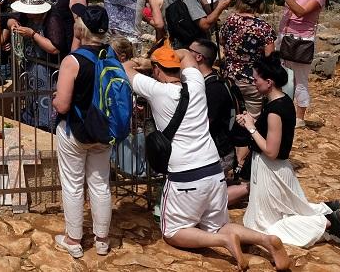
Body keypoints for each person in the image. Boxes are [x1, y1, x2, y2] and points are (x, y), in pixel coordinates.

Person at [123, 44, 289, 270]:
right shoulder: (196, 83)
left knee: (172, 232)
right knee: (218, 224)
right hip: (213, 169)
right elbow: (188, 54)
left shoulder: (156, 90)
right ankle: (265, 240)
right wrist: (169, 56)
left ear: (157, 70)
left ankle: (223, 241)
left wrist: (141, 62)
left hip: (184, 174)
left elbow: (125, 68)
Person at [234, 54, 340, 251]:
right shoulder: (283, 101)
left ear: (269, 82)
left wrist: (250, 128)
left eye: (256, 80)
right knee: (286, 210)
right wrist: (252, 122)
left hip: (270, 169)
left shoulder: (274, 110)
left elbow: (271, 150)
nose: (254, 84)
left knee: (263, 226)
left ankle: (328, 221)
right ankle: (327, 208)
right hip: (276, 168)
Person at [52, 5, 113, 259]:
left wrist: (55, 100)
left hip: (75, 131)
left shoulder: (73, 61)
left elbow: (63, 104)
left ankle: (74, 239)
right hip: (103, 132)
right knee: (100, 185)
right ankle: (102, 240)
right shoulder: (111, 56)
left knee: (73, 185)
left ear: (81, 28)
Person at [269, 0, 326, 129]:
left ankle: (300, 117)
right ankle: (281, 110)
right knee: (281, 75)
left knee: (300, 80)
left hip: (301, 40)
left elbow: (301, 12)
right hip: (284, 36)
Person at [218, 0, 275, 118]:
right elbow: (270, 56)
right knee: (252, 119)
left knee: (231, 115)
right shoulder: (263, 27)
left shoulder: (230, 21)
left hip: (230, 76)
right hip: (252, 80)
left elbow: (222, 41)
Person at [189, 39, 238, 184]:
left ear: (199, 57)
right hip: (207, 150)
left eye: (188, 51)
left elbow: (206, 122)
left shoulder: (214, 88)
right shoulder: (203, 81)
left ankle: (244, 190)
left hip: (217, 153)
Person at [9, 0, 57, 130]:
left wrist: (33, 35)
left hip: (45, 67)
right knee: (32, 99)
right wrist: (12, 24)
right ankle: (32, 124)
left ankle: (45, 129)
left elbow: (54, 48)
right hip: (30, 66)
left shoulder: (52, 19)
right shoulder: (25, 16)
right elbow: (9, 18)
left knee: (44, 101)